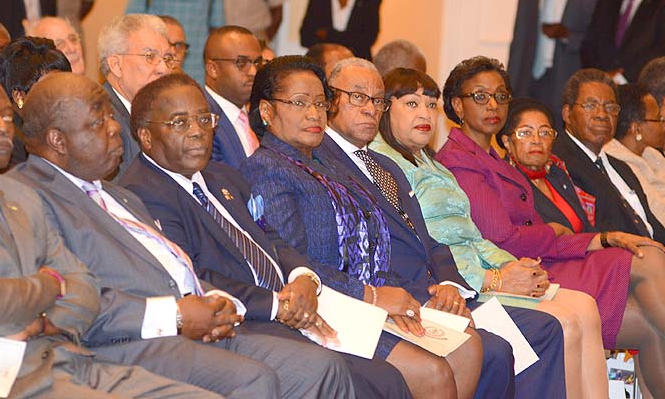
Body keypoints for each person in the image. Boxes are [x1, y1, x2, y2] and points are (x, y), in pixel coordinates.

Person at [8, 71, 356, 399]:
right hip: (127, 341)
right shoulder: (30, 196)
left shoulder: (117, 195)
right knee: (253, 379)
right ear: (57, 140)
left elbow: (177, 267)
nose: (115, 129)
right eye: (99, 122)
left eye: (111, 118)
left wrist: (217, 306)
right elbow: (69, 297)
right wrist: (174, 315)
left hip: (197, 318)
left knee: (322, 368)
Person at [239, 56, 523, 399]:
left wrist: (401, 294)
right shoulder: (269, 169)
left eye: (318, 102)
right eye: (299, 103)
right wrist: (372, 297)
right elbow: (291, 263)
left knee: (467, 345)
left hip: (369, 294)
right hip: (328, 304)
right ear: (267, 111)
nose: (314, 113)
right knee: (433, 371)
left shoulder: (325, 164)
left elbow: (376, 247)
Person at [118, 73, 413, 399]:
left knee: (388, 379)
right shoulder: (141, 193)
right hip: (244, 320)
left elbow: (269, 235)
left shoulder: (221, 176)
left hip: (296, 303)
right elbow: (193, 277)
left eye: (204, 118)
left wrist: (303, 277)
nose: (197, 131)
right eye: (179, 122)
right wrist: (277, 305)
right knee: (354, 378)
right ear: (146, 136)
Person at [320, 58, 567, 399]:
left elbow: (430, 238)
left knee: (546, 327)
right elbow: (359, 251)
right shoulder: (325, 160)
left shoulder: (387, 163)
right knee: (499, 348)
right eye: (358, 97)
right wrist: (478, 281)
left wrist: (451, 283)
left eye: (375, 100)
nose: (369, 109)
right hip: (390, 295)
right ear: (331, 101)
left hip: (437, 285)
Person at [0, 71, 224, 399]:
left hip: (64, 357)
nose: (2, 126)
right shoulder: (28, 185)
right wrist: (52, 283)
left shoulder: (16, 196)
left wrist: (40, 321)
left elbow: (83, 289)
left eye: (6, 115)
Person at [369, 68, 607, 399]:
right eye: (411, 104)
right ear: (384, 108)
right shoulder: (383, 165)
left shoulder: (431, 162)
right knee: (562, 322)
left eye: (430, 105)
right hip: (454, 285)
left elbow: (473, 236)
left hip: (475, 274)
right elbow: (423, 248)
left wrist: (517, 268)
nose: (424, 114)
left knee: (583, 306)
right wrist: (494, 279)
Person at [435, 55, 665, 395]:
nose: (493, 105)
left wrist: (598, 239)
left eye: (500, 96)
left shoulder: (491, 156)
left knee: (648, 312)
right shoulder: (460, 160)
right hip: (525, 269)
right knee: (647, 263)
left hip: (547, 257)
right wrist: (556, 233)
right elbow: (502, 238)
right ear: (457, 104)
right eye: (480, 96)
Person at [552, 69, 665, 242]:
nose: (602, 115)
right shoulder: (559, 162)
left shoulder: (621, 167)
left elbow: (652, 224)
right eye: (590, 106)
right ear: (567, 114)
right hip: (618, 260)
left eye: (610, 107)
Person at [508, 0, 602, 121]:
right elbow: (519, 40)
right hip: (529, 79)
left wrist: (566, 34)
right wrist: (509, 82)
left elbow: (595, 44)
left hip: (566, 78)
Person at [98, 14, 176, 178]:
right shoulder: (101, 119)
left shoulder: (159, 113)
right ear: (116, 65)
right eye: (150, 57)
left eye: (167, 58)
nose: (164, 69)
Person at [0, 36, 71, 170]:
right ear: (19, 96)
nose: (62, 96)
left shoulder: (63, 127)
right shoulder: (9, 142)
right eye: (51, 90)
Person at [603, 84, 665, 225]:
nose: (663, 125)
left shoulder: (651, 154)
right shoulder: (619, 163)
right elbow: (659, 213)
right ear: (636, 129)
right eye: (658, 119)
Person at [203, 25, 264, 169]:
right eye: (241, 63)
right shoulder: (202, 119)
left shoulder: (259, 115)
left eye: (257, 62)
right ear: (213, 69)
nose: (254, 72)